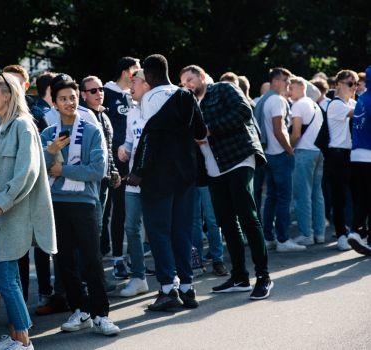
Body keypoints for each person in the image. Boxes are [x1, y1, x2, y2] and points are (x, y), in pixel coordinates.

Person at [179, 64, 272, 299]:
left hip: (238, 158)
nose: (187, 85)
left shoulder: (223, 89)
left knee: (248, 217)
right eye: (183, 83)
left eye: (190, 79)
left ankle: (263, 276)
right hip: (213, 169)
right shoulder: (189, 104)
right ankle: (240, 276)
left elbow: (243, 111)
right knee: (226, 222)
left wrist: (209, 130)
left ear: (201, 76)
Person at [0, 73, 57, 350]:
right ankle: (16, 337)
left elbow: (29, 169)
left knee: (5, 277)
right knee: (7, 275)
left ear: (8, 95)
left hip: (11, 208)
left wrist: (5, 198)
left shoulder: (24, 126)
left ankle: (24, 340)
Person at [41, 74, 120, 336]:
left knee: (92, 260)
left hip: (85, 202)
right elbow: (39, 169)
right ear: (54, 103)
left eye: (73, 98)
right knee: (63, 262)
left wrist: (63, 170)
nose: (69, 103)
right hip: (57, 203)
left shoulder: (91, 129)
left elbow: (97, 170)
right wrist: (50, 149)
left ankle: (101, 314)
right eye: (63, 99)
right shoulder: (47, 133)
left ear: (79, 99)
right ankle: (80, 309)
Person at [127, 54, 207, 311]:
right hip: (185, 174)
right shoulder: (186, 95)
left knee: (159, 233)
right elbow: (201, 132)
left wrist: (139, 170)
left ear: (150, 76)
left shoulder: (150, 99)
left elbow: (151, 138)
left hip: (158, 176)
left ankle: (166, 289)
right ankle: (187, 286)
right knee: (181, 231)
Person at [255, 67, 305, 252]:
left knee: (272, 198)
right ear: (276, 81)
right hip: (279, 155)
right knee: (283, 199)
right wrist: (289, 150)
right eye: (286, 81)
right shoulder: (276, 100)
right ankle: (283, 240)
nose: (288, 84)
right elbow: (278, 129)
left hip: (267, 153)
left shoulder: (264, 99)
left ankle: (269, 237)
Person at [100, 57, 140, 276]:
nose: (139, 73)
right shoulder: (107, 93)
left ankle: (133, 258)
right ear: (126, 72)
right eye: (136, 69)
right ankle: (116, 259)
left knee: (130, 213)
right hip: (114, 164)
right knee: (114, 211)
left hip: (134, 162)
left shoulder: (134, 96)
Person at [79, 75, 122, 274]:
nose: (99, 94)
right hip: (89, 181)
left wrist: (113, 170)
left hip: (105, 180)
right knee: (89, 231)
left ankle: (94, 277)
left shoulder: (104, 115)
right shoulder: (82, 116)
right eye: (93, 91)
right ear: (83, 94)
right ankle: (88, 279)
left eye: (101, 89)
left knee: (98, 229)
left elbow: (109, 148)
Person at [117, 69, 151, 297]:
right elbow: (130, 141)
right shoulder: (131, 113)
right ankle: (139, 278)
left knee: (159, 228)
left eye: (135, 81)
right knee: (131, 227)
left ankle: (174, 278)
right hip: (133, 180)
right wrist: (124, 149)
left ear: (147, 85)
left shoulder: (158, 110)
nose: (130, 86)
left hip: (156, 181)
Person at [288, 77, 325, 245]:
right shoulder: (315, 104)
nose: (289, 91)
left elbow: (296, 133)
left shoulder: (298, 105)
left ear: (302, 88)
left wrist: (288, 148)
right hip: (318, 151)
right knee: (317, 194)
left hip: (304, 152)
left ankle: (306, 234)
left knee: (302, 195)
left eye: (292, 88)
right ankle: (319, 233)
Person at [325, 69, 359, 251]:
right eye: (350, 84)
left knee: (355, 195)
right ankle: (340, 234)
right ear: (338, 85)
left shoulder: (352, 102)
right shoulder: (336, 105)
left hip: (350, 154)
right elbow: (357, 114)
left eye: (355, 84)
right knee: (339, 197)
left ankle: (354, 231)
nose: (354, 87)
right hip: (337, 154)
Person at [348, 66, 371, 256]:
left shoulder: (362, 99)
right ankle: (358, 231)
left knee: (364, 197)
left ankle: (358, 231)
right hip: (369, 154)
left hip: (356, 155)